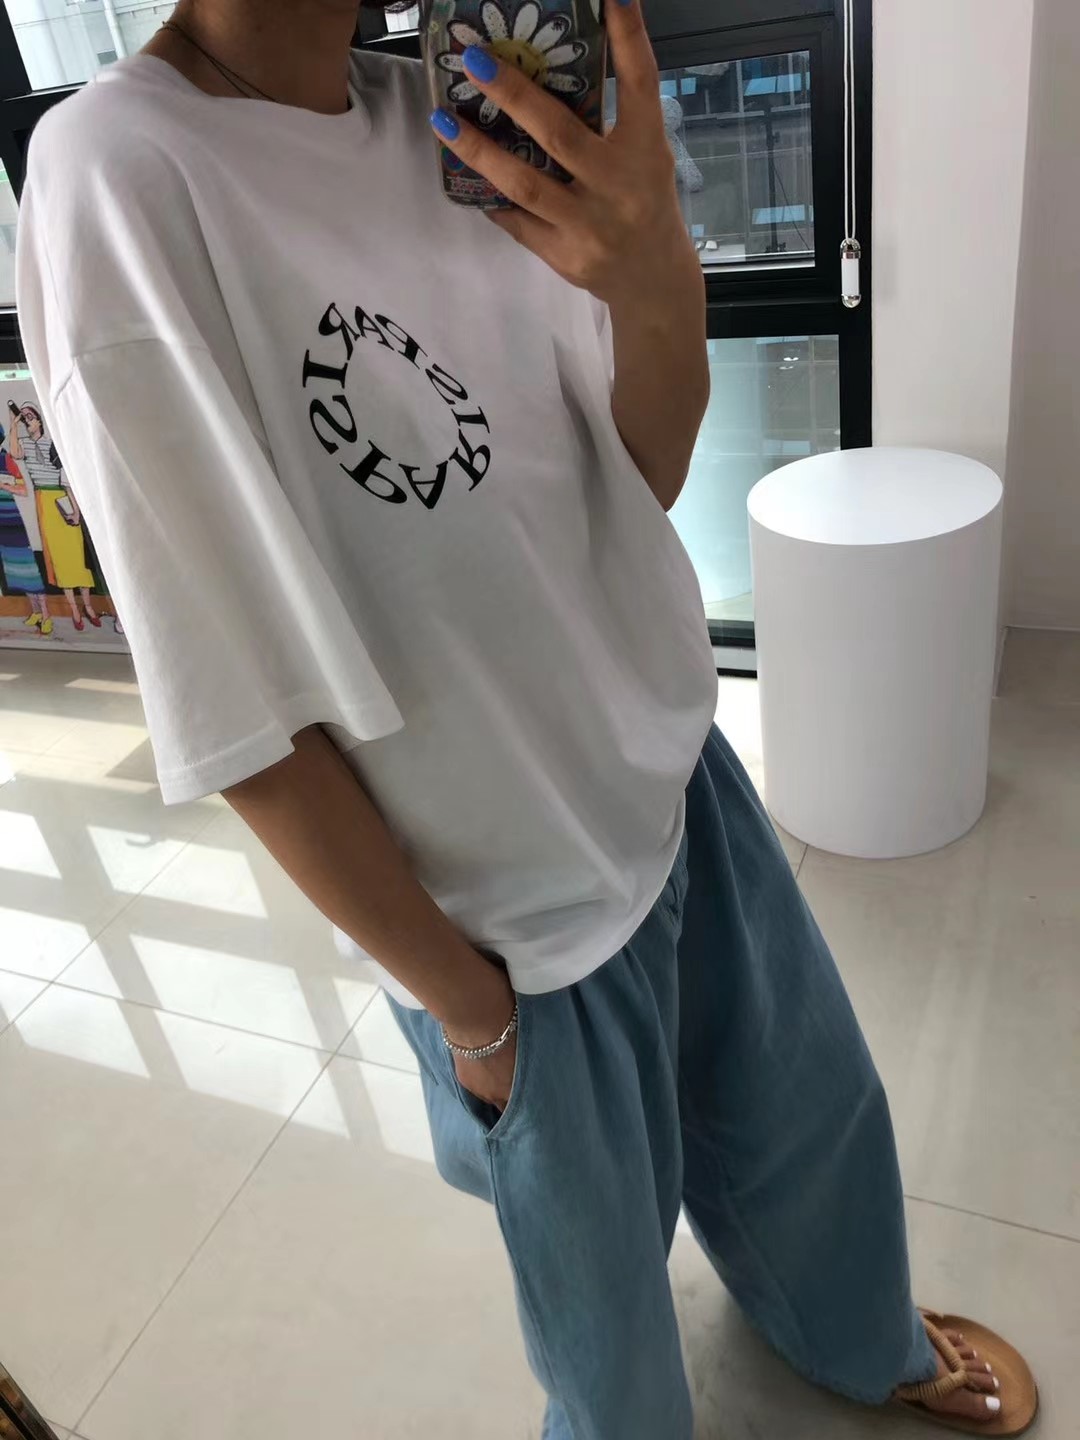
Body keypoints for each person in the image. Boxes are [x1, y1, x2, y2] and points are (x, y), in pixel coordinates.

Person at [16, 2, 1036, 1436]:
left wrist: (657, 274)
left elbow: (636, 477)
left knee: (811, 1117)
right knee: (609, 1343)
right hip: (511, 921)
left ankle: (857, 1331)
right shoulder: (119, 175)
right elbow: (230, 700)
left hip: (676, 773)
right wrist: (473, 1012)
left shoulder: (447, 114)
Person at [8, 404, 101, 632]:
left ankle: (89, 607)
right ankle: (75, 610)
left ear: (40, 421)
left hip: (61, 497)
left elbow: (66, 480)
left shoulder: (52, 444)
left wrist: (76, 510)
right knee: (60, 559)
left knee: (77, 556)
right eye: (24, 417)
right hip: (44, 502)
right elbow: (15, 453)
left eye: (30, 417)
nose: (27, 420)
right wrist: (14, 425)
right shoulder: (25, 444)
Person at [0, 421, 50, 633]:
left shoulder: (6, 459)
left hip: (11, 518)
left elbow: (23, 490)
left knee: (27, 566)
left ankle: (46, 615)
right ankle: (35, 612)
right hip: (1, 523)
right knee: (15, 569)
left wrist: (3, 485)